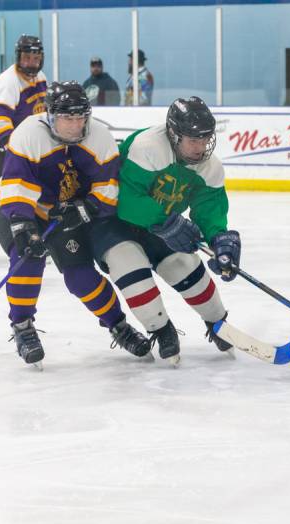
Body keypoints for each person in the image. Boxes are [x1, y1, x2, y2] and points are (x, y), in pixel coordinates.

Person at [0, 81, 150, 365]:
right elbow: (16, 185)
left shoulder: (99, 136)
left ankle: (118, 325)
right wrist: (24, 226)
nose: (76, 126)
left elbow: (109, 187)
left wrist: (86, 208)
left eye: (81, 117)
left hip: (66, 214)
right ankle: (23, 327)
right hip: (21, 210)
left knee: (81, 277)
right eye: (68, 118)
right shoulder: (28, 133)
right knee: (26, 260)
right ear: (51, 115)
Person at [89, 96, 240, 365]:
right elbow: (126, 199)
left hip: (160, 223)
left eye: (206, 139)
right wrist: (168, 222)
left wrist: (219, 239)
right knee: (131, 269)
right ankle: (161, 329)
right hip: (114, 222)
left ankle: (217, 322)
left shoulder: (210, 166)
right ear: (173, 133)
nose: (201, 147)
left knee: (185, 267)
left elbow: (209, 211)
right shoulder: (148, 146)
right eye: (193, 139)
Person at [0, 35, 47, 178]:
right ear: (18, 57)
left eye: (36, 58)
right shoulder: (8, 81)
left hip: (20, 138)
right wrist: (17, 150)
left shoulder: (41, 77)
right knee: (15, 184)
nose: (31, 63)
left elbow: (43, 110)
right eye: (26, 58)